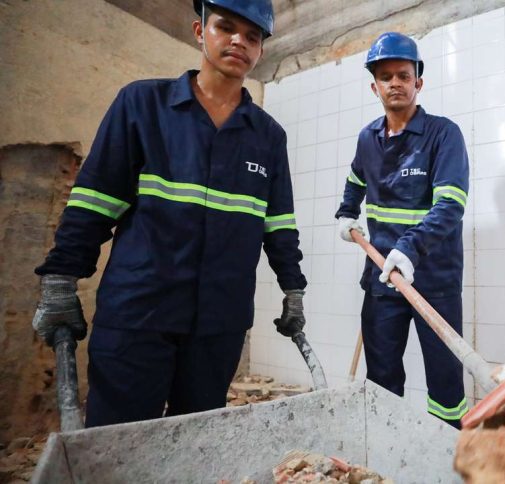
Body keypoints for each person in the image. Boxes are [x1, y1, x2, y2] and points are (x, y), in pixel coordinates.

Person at [31, 0, 308, 427]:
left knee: (194, 440)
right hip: (138, 314)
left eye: (253, 36)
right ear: (200, 31)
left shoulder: (269, 137)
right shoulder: (142, 105)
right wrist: (60, 278)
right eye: (226, 27)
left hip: (220, 323)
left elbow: (279, 224)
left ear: (261, 52)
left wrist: (293, 289)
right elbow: (94, 202)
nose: (239, 41)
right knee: (118, 441)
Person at [335, 32, 470, 428]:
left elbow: (450, 206)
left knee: (445, 383)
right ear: (374, 86)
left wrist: (409, 250)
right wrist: (346, 214)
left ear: (418, 83)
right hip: (382, 281)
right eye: (386, 76)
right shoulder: (367, 138)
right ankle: (385, 451)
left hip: (434, 281)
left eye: (403, 75)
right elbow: (355, 181)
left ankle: (446, 455)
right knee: (381, 377)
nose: (395, 82)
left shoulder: (443, 135)